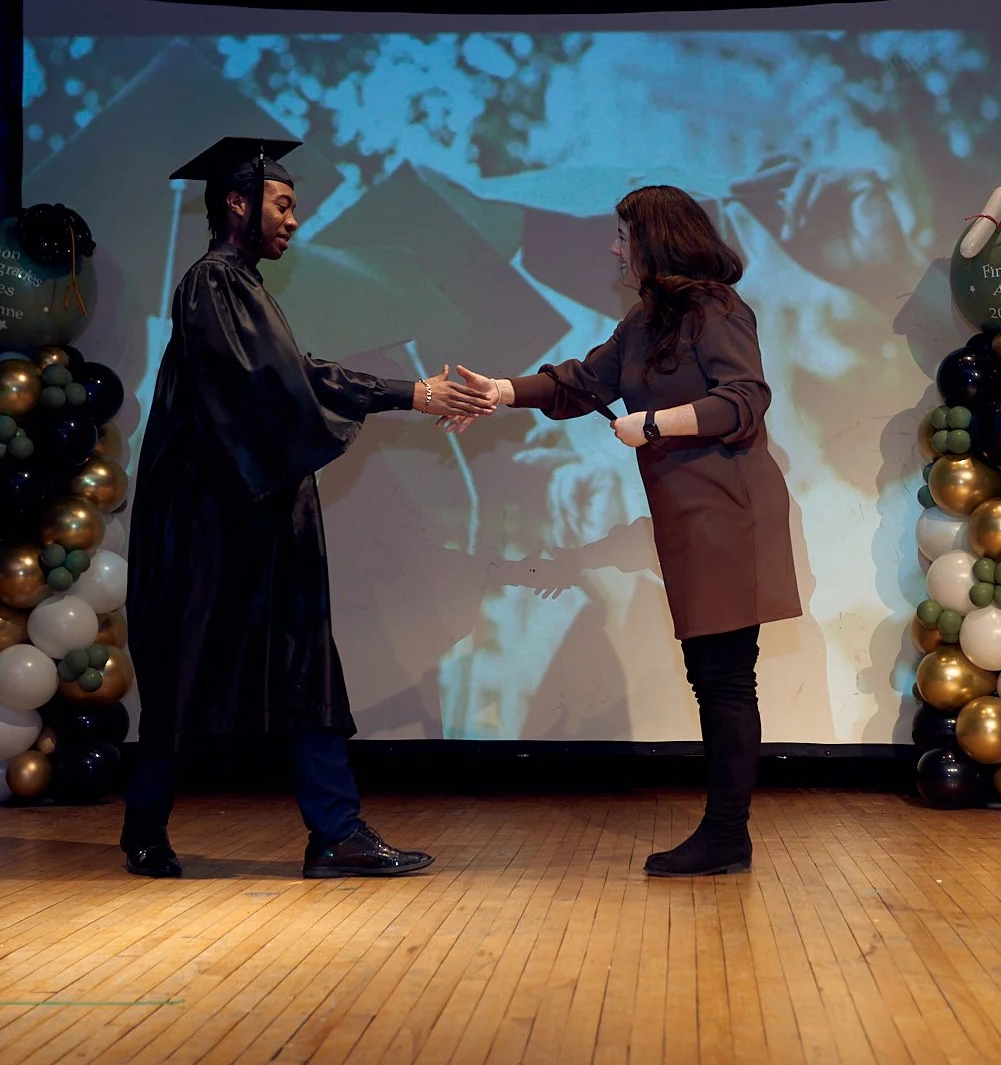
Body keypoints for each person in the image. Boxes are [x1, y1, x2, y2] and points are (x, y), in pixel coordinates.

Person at [120, 136, 495, 880]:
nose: (294, 221)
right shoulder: (212, 285)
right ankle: (144, 828)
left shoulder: (241, 286)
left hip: (257, 519)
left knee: (304, 663)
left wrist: (409, 393)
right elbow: (280, 384)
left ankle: (335, 830)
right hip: (212, 525)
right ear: (237, 201)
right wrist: (404, 393)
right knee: (186, 667)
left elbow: (295, 375)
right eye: (283, 205)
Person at [447, 184, 803, 876]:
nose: (614, 248)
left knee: (726, 678)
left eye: (622, 235)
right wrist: (501, 391)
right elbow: (580, 382)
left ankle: (727, 835)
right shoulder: (645, 322)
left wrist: (654, 424)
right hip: (689, 520)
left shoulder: (716, 311)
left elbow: (746, 400)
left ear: (655, 240)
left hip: (730, 515)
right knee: (714, 675)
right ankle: (727, 832)